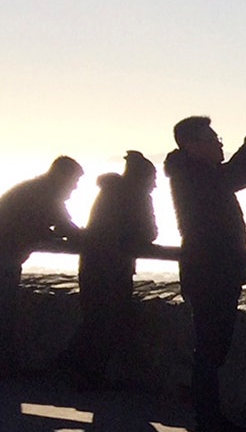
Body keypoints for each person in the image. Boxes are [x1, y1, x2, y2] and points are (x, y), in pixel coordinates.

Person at [165, 116, 246, 432]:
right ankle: (208, 424)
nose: (219, 144)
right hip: (210, 273)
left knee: (211, 350)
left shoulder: (196, 173)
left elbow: (233, 176)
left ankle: (209, 420)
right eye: (212, 138)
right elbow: (232, 177)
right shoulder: (192, 175)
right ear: (193, 145)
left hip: (211, 272)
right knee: (210, 351)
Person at [62, 151, 159, 384]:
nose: (155, 184)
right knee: (108, 321)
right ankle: (87, 374)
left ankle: (77, 371)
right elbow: (149, 232)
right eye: (152, 179)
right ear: (143, 177)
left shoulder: (108, 193)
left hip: (92, 263)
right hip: (115, 267)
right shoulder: (137, 197)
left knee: (93, 318)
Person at [0, 156, 84, 372]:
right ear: (62, 176)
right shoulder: (47, 195)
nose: (74, 188)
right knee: (4, 312)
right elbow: (69, 230)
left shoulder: (34, 190)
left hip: (8, 255)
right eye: (74, 182)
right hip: (6, 258)